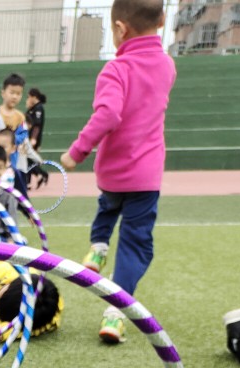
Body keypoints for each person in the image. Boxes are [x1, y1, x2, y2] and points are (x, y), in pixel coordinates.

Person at [61, 0, 176, 345]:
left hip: (113, 174)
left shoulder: (116, 69)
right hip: (146, 176)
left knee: (108, 207)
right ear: (162, 20)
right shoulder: (167, 66)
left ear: (120, 29)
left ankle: (98, 247)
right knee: (135, 245)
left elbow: (109, 114)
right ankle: (115, 314)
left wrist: (77, 151)